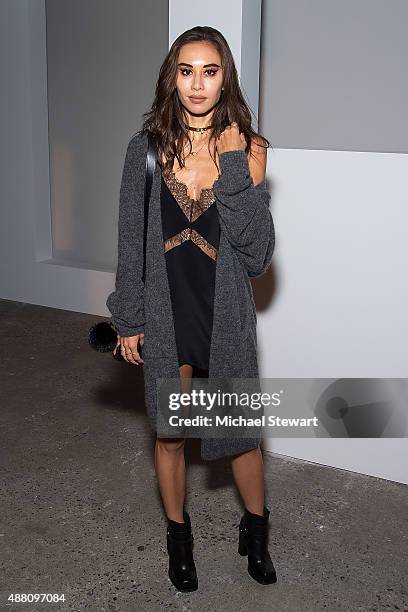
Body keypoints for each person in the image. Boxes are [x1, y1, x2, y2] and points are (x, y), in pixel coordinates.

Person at [106, 25, 277, 591]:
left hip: (222, 310)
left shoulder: (249, 149)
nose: (197, 84)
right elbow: (132, 239)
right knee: (172, 433)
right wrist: (128, 317)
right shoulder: (145, 148)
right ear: (171, 77)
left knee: (240, 436)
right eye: (186, 71)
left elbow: (257, 254)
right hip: (167, 310)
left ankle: (255, 529)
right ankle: (180, 538)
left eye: (209, 71)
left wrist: (232, 165)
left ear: (225, 75)